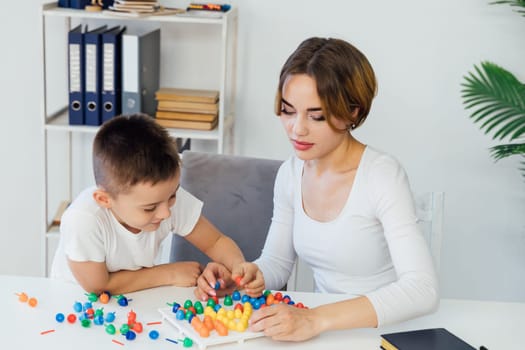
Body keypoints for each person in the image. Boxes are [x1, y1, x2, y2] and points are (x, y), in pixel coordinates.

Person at [239, 37, 439, 341]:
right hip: (322, 333)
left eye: (316, 116)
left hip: (384, 333)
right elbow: (277, 263)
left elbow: (422, 289)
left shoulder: (381, 175)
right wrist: (251, 276)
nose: (297, 128)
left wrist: (315, 320)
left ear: (352, 113)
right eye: (288, 110)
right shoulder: (291, 173)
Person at [50, 114, 263, 297]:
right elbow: (98, 286)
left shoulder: (163, 196)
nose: (166, 211)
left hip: (135, 299)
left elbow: (215, 242)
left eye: (172, 195)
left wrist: (238, 268)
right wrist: (169, 273)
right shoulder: (84, 219)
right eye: (149, 208)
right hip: (74, 302)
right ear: (105, 200)